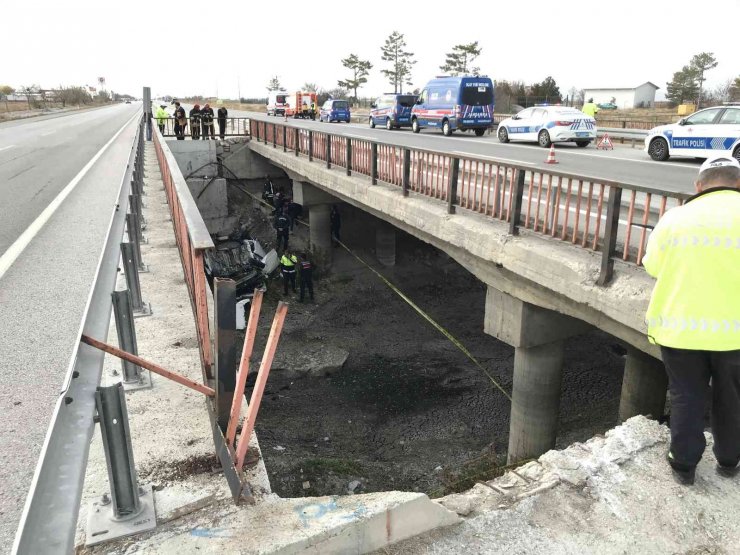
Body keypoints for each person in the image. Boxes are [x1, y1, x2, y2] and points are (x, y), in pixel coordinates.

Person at [642, 156, 740, 485]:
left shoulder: (676, 219)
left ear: (698, 186)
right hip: (735, 336)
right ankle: (729, 459)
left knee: (687, 395)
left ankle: (684, 465)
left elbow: (653, 265)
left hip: (680, 329)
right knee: (734, 398)